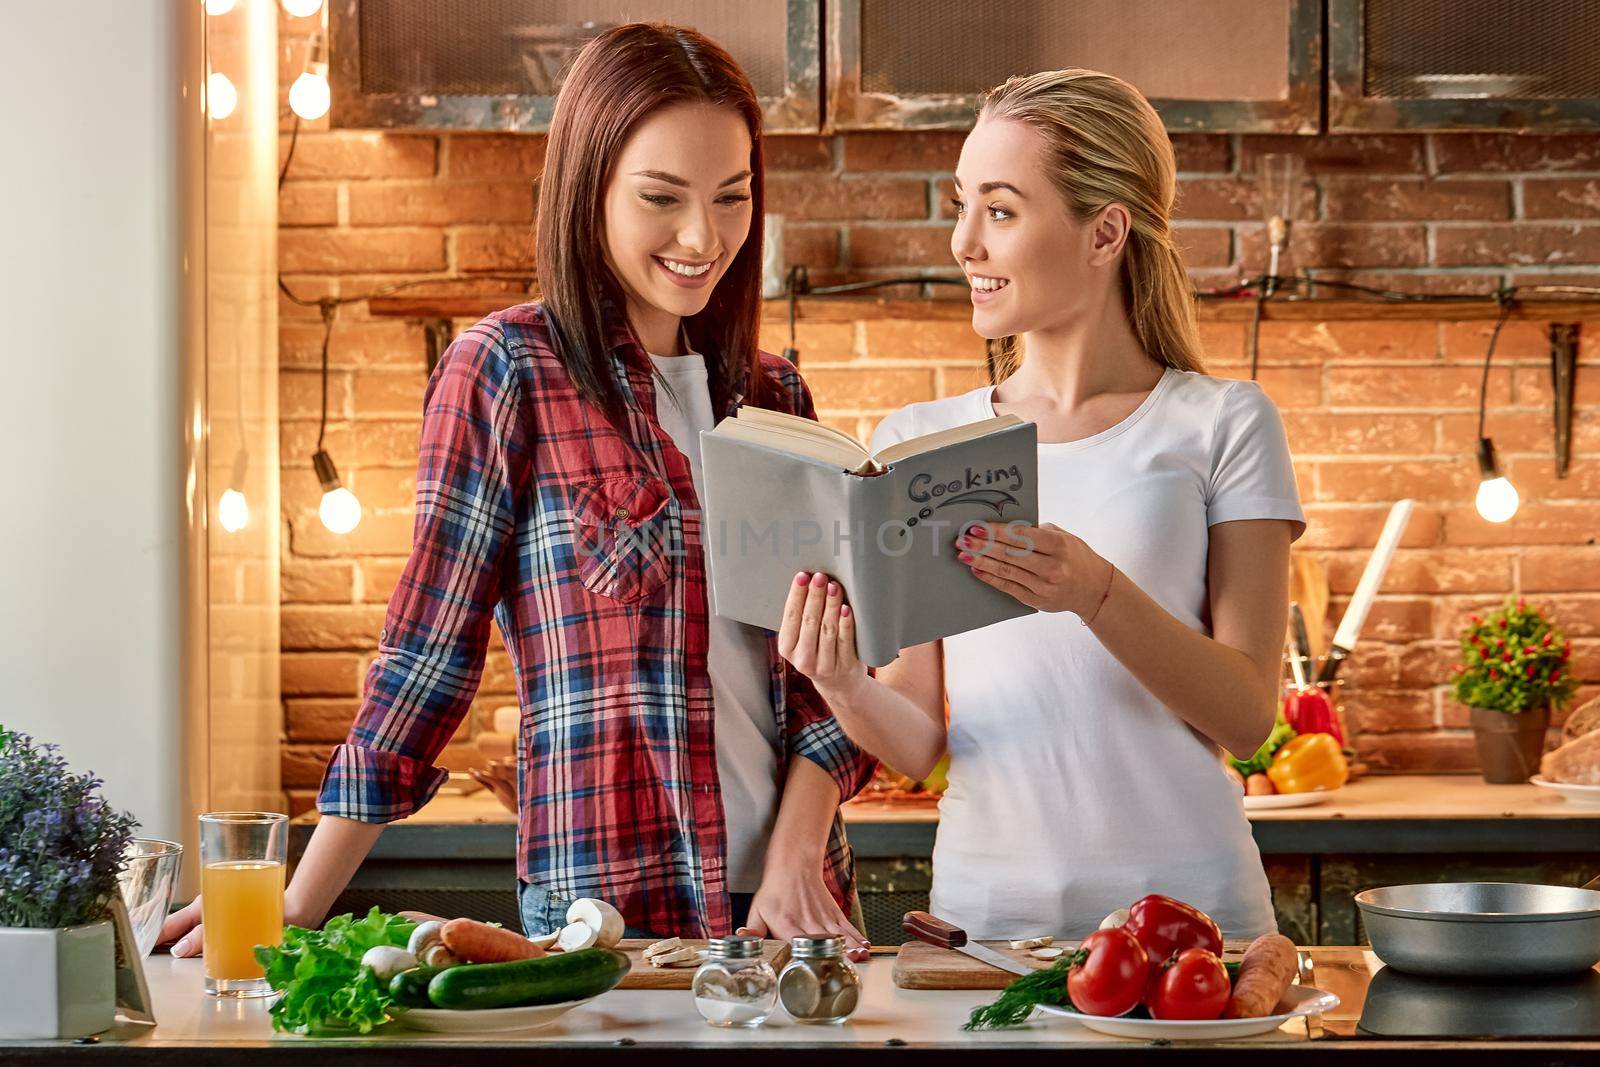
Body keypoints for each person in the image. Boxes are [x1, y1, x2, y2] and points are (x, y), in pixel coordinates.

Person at [163, 22, 874, 956]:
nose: (705, 236)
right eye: (662, 197)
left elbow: (828, 679)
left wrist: (792, 856)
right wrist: (295, 903)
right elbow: (427, 660)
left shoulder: (775, 394)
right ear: (590, 191)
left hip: (799, 914)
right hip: (606, 919)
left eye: (732, 196)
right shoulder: (506, 372)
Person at [778, 68, 1304, 940]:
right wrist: (838, 679)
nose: (963, 243)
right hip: (986, 928)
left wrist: (1096, 592)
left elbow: (1248, 715)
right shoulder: (921, 440)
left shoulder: (1222, 422)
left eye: (1001, 209)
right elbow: (917, 739)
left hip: (1190, 927)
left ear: (1104, 233)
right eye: (961, 205)